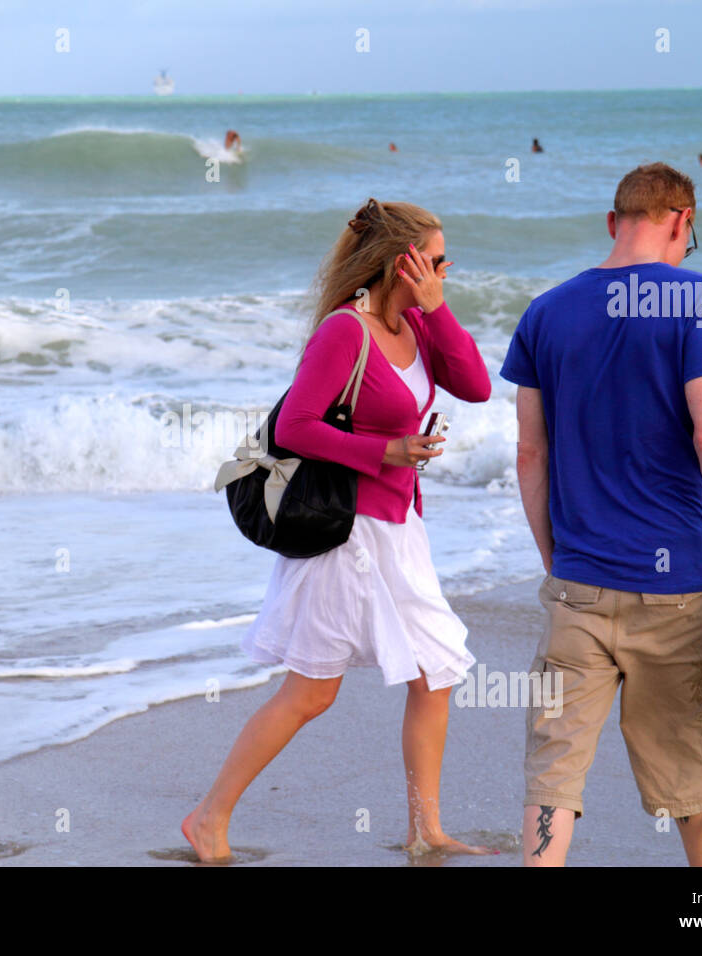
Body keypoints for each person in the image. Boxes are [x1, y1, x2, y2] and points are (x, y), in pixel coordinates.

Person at [500, 162, 702, 867]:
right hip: (681, 588)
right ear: (681, 222)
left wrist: (558, 561)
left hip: (578, 588)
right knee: (692, 776)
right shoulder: (696, 298)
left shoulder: (544, 312)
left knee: (553, 777)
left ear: (613, 222)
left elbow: (529, 457)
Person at [184, 198, 493, 862]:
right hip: (345, 536)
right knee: (312, 691)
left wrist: (436, 306)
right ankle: (208, 817)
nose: (443, 271)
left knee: (435, 675)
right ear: (399, 261)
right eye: (434, 261)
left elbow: (475, 386)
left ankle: (424, 829)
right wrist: (383, 453)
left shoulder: (417, 324)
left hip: (401, 531)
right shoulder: (343, 332)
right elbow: (297, 425)